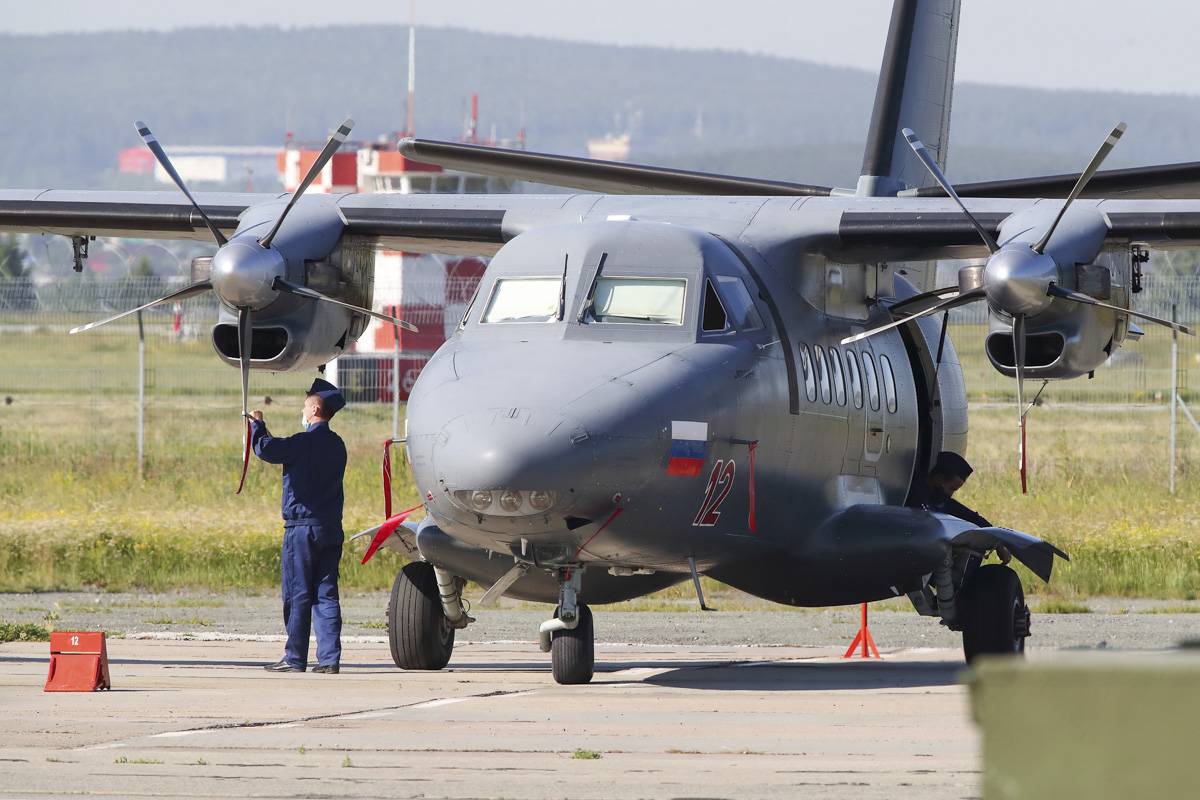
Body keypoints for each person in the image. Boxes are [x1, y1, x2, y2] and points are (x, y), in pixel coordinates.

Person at [250, 378, 348, 674]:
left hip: (302, 529)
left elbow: (266, 449)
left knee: (298, 593)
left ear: (316, 408)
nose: (302, 408)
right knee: (326, 593)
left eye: (306, 403)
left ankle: (295, 657)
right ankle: (330, 659)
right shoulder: (337, 445)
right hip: (330, 526)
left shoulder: (303, 442)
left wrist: (256, 425)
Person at [909, 450, 1010, 564]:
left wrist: (998, 543)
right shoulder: (915, 494)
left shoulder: (941, 499)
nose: (950, 494)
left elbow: (972, 517)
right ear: (939, 477)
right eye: (951, 488)